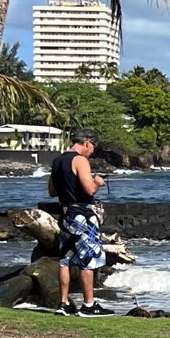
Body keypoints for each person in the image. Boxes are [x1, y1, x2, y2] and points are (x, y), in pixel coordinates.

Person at [49, 132, 112, 316]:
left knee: (65, 260)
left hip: (66, 214)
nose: (92, 152)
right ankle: (89, 305)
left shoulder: (57, 161)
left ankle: (63, 303)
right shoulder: (80, 161)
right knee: (88, 259)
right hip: (83, 214)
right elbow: (90, 189)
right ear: (86, 143)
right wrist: (98, 182)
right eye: (92, 148)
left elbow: (52, 191)